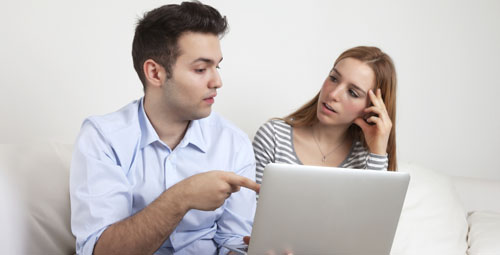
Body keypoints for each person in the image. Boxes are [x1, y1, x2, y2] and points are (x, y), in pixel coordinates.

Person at [69, 2, 259, 255]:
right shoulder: (103, 138)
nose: (217, 81)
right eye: (201, 69)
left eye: (217, 66)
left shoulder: (233, 142)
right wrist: (182, 196)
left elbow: (234, 242)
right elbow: (101, 251)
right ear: (155, 73)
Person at [253, 46, 397, 184]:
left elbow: (374, 209)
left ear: (372, 107)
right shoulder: (273, 138)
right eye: (334, 78)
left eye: (352, 92)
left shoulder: (368, 158)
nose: (333, 94)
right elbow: (251, 207)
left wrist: (378, 153)